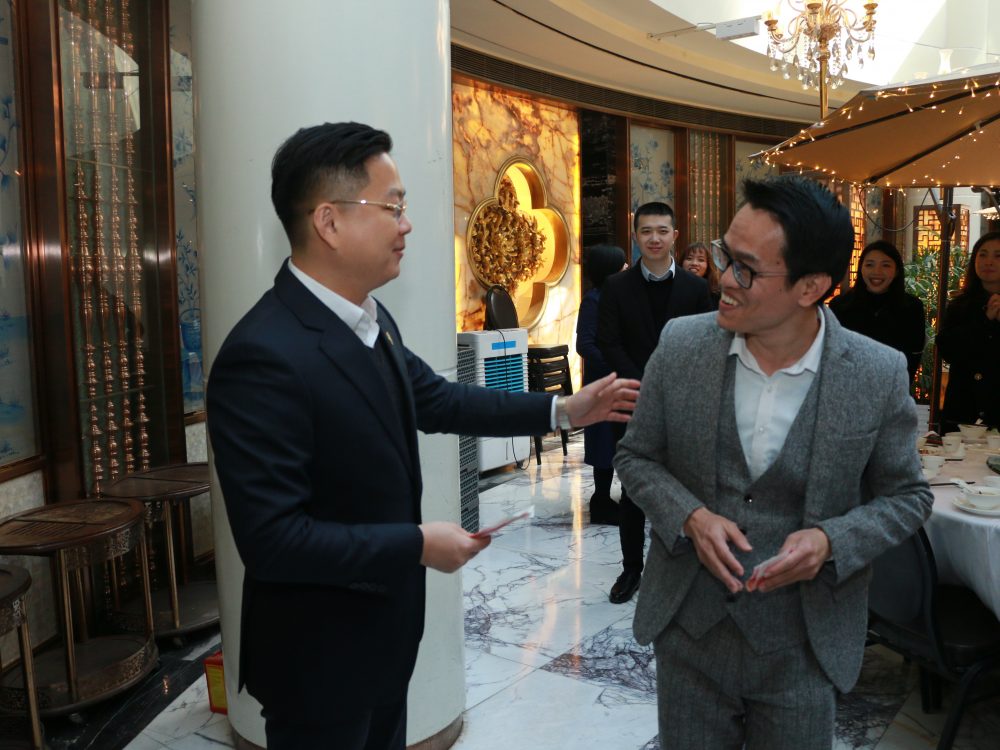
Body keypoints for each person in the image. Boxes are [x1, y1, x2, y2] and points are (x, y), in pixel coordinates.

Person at [206, 122, 640, 750]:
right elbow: (275, 542)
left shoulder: (368, 317)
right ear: (329, 222)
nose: (406, 225)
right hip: (319, 660)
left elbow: (437, 398)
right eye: (393, 207)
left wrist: (562, 411)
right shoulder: (263, 355)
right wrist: (416, 543)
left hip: (383, 641)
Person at [615, 175, 933, 750]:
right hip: (689, 631)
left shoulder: (874, 372)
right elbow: (636, 456)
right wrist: (690, 516)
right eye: (725, 256)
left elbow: (908, 497)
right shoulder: (681, 346)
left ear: (811, 286)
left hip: (803, 644)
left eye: (746, 269)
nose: (723, 279)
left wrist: (831, 541)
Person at [597, 202, 714, 604]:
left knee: (682, 488)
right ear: (635, 236)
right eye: (646, 231)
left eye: (662, 231)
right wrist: (644, 383)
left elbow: (706, 343)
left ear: (674, 236)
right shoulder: (616, 286)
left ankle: (679, 572)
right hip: (632, 400)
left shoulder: (696, 289)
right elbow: (608, 342)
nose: (654, 238)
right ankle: (632, 568)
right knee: (634, 490)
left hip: (683, 404)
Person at [576, 244, 627, 525]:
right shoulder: (593, 300)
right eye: (621, 265)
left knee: (623, 441)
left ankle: (623, 499)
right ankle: (601, 501)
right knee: (603, 442)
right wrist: (614, 365)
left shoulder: (623, 297)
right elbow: (585, 344)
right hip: (603, 384)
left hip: (623, 381)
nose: (627, 268)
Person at [828, 240, 925, 386]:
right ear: (861, 268)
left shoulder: (912, 307)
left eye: (886, 265)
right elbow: (832, 353)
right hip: (847, 388)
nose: (877, 272)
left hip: (892, 389)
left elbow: (913, 356)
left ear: (897, 271)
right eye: (869, 265)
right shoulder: (840, 306)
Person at [937, 230, 1000, 431]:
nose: (988, 262)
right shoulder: (960, 305)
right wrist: (985, 320)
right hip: (963, 411)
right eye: (983, 254)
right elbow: (948, 350)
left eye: (998, 256)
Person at [677, 240, 721, 307]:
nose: (694, 263)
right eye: (689, 258)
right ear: (681, 263)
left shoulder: (716, 294)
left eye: (701, 260)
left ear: (708, 267)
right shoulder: (673, 289)